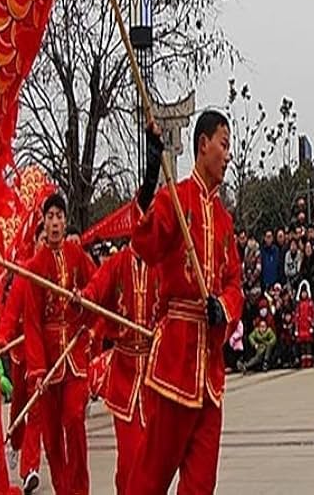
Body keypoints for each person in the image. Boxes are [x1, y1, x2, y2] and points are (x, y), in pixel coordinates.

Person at [127, 111, 244, 494]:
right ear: (203, 144)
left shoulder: (225, 221)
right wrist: (149, 177)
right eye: (223, 145)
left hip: (209, 371)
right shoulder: (174, 200)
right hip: (175, 362)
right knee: (150, 478)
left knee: (200, 483)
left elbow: (235, 284)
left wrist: (223, 307)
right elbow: (144, 243)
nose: (227, 155)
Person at [25, 192, 95, 495]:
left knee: (74, 418)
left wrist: (84, 299)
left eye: (59, 216)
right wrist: (38, 369)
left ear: (66, 221)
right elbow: (31, 323)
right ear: (44, 222)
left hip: (75, 354)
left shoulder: (77, 255)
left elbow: (97, 285)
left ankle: (80, 489)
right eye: (50, 217)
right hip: (49, 361)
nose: (54, 223)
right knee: (52, 435)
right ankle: (63, 489)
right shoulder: (35, 266)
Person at [79, 241, 159, 495]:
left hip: (156, 374)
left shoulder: (163, 260)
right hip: (125, 374)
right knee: (129, 457)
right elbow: (96, 288)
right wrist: (83, 298)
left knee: (156, 457)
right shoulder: (116, 264)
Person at [0, 222, 46, 494]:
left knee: (36, 411)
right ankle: (15, 444)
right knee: (19, 407)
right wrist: (4, 336)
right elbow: (11, 310)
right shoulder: (24, 273)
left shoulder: (54, 272)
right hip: (21, 353)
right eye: (40, 240)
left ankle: (30, 469)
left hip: (44, 356)